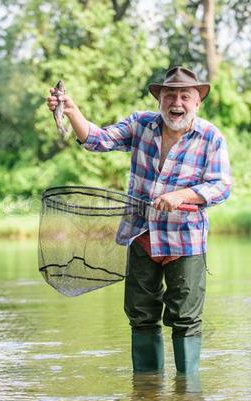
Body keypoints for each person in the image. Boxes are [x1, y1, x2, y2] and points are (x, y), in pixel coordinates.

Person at [46, 66, 231, 374]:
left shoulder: (211, 137)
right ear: (159, 99)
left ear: (197, 102)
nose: (177, 103)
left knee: (185, 319)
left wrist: (182, 196)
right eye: (170, 95)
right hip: (140, 236)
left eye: (185, 96)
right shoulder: (141, 124)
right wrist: (72, 112)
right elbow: (98, 140)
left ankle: (187, 391)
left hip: (185, 242)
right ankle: (146, 388)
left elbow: (221, 185)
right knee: (141, 317)